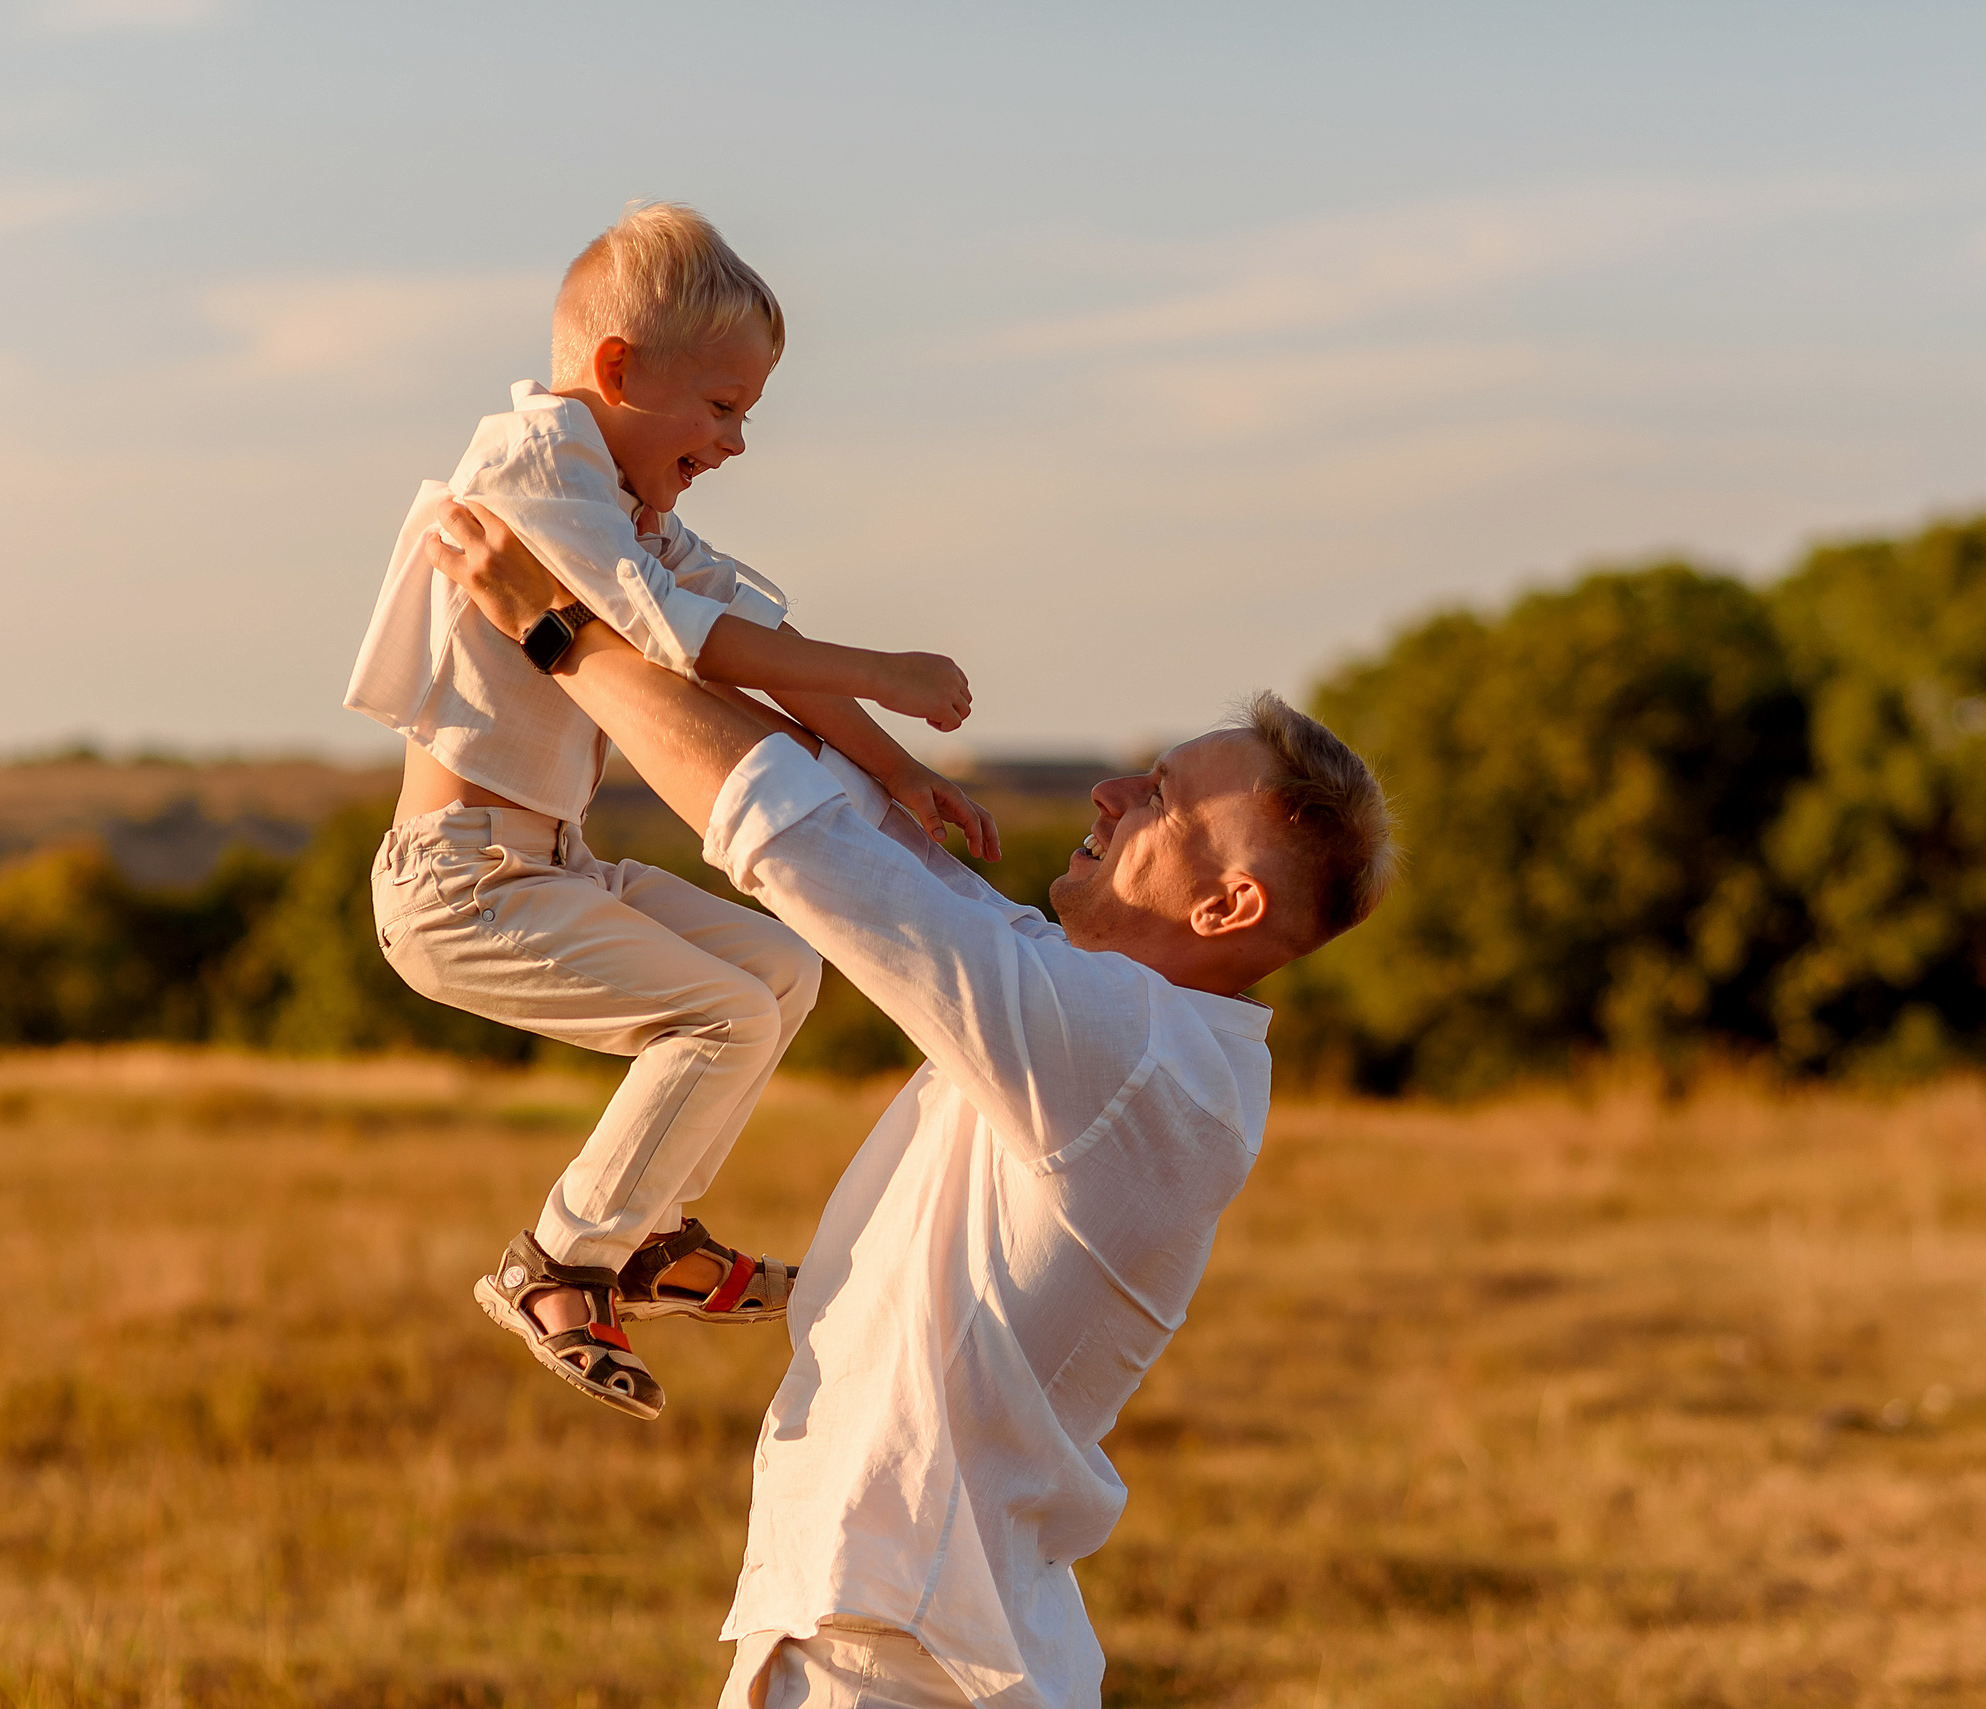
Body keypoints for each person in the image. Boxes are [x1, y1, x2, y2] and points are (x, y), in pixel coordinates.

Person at [421, 498, 1399, 1709]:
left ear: (1228, 909)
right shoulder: (1112, 1023)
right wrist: (655, 596)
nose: (1105, 792)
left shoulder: (1128, 1053)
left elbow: (806, 848)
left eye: (1157, 799)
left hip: (900, 1666)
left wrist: (556, 630)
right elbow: (869, 835)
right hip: (884, 1639)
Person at [343, 204, 999, 1421]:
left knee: (779, 970)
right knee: (719, 1016)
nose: (737, 440)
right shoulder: (531, 471)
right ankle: (562, 1259)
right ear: (617, 372)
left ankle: (648, 1239)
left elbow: (751, 639)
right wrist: (884, 669)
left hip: (554, 863)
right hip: (459, 884)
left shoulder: (620, 501)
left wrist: (893, 764)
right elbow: (670, 636)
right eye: (722, 407)